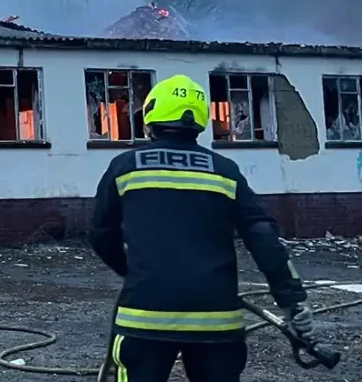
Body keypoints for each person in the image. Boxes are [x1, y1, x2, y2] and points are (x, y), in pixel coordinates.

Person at [89, 74, 319, 382]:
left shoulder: (125, 167)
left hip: (145, 316)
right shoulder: (224, 171)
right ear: (199, 119)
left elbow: (101, 234)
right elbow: (263, 236)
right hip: (216, 319)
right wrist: (291, 300)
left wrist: (133, 272)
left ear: (151, 117)